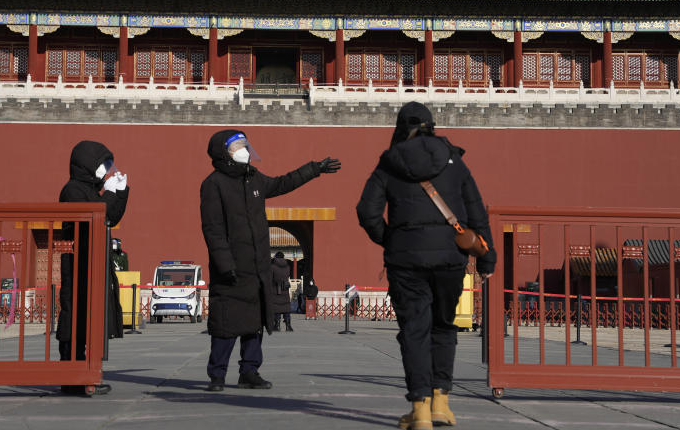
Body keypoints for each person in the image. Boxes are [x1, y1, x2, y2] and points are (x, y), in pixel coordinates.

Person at [356, 101, 496, 429]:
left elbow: (367, 212)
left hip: (405, 261)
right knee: (444, 326)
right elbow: (476, 212)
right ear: (433, 125)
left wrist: (390, 239)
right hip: (450, 259)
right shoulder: (455, 162)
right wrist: (486, 256)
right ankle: (441, 404)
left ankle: (419, 410)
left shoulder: (389, 163)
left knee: (415, 331)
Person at [200, 129, 340, 391]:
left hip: (257, 267)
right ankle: (217, 375)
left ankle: (249, 371)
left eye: (245, 145)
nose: (244, 150)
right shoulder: (213, 184)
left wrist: (314, 169)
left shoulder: (254, 179)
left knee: (255, 323)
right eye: (238, 146)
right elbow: (213, 229)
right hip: (230, 269)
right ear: (224, 153)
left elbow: (283, 183)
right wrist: (224, 264)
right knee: (225, 324)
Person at [58, 140, 129, 396]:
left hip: (93, 264)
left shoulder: (89, 190)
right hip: (79, 266)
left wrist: (119, 193)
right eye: (102, 164)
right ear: (87, 165)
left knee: (90, 321)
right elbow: (93, 217)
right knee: (75, 319)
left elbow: (110, 218)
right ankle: (72, 378)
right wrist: (109, 195)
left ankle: (86, 376)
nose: (105, 169)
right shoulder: (73, 190)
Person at [270, 252, 293, 331]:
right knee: (286, 308)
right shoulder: (287, 267)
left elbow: (270, 278)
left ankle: (277, 325)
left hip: (275, 289)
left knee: (276, 308)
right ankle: (288, 325)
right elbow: (287, 276)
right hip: (285, 289)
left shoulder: (272, 267)